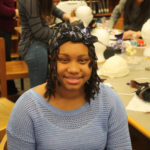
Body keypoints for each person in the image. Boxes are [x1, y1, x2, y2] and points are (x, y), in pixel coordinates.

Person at [7, 21, 132, 149]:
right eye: (64, 60)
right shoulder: (27, 108)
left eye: (82, 60)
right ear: (52, 60)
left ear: (92, 64)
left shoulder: (109, 101)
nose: (73, 69)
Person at [18, 0, 76, 88]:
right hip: (34, 46)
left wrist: (66, 16)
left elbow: (51, 7)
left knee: (47, 85)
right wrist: (62, 33)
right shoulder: (30, 1)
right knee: (39, 88)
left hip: (40, 44)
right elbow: (39, 32)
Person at [0, 0, 18, 95]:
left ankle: (10, 90)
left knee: (5, 60)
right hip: (2, 30)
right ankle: (10, 91)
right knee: (4, 61)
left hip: (6, 29)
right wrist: (15, 12)